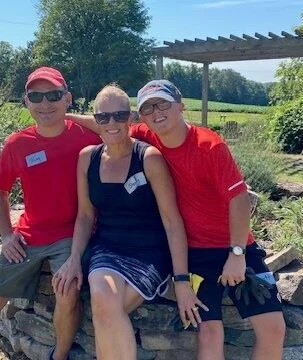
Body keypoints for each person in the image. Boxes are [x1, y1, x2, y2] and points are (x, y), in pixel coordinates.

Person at [66, 80, 286, 360]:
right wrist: (64, 115)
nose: (157, 112)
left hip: (237, 245)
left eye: (163, 104)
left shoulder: (209, 146)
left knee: (273, 328)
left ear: (181, 106)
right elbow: (109, 122)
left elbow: (239, 199)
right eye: (149, 107)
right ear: (141, 117)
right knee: (209, 332)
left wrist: (237, 252)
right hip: (196, 252)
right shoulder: (148, 134)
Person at [52, 84, 205, 360]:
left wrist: (182, 281)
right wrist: (74, 258)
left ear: (131, 118)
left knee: (105, 311)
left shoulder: (148, 158)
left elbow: (172, 222)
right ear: (95, 120)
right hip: (107, 249)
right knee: (103, 297)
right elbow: (85, 216)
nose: (112, 123)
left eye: (119, 116)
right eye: (103, 118)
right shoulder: (87, 158)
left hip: (149, 252)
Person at [0, 66, 102, 360]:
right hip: (28, 235)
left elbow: (121, 126)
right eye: (36, 96)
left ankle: (58, 356)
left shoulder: (86, 138)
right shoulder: (18, 144)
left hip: (71, 234)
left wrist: (68, 117)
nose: (45, 103)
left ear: (68, 98)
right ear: (26, 101)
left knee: (67, 292)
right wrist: (8, 234)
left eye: (54, 95)